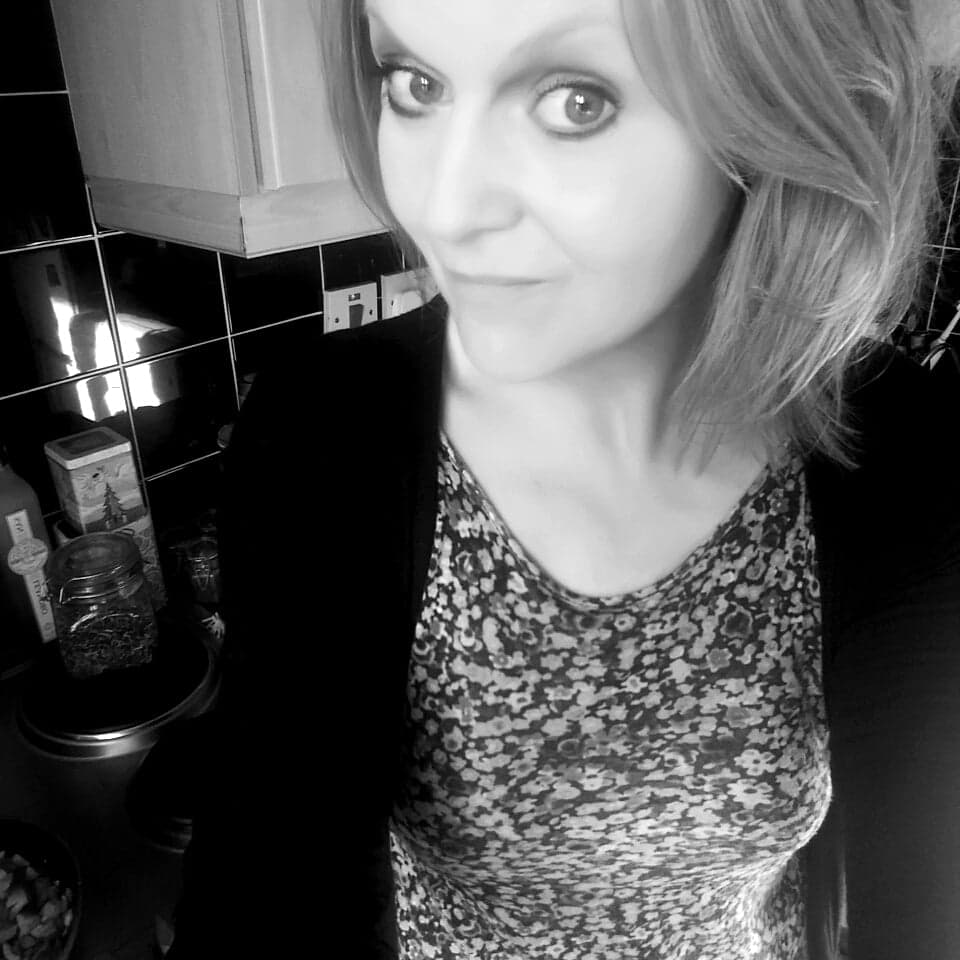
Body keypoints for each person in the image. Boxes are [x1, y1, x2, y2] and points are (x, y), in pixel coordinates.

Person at [166, 1, 960, 958]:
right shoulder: (324, 430)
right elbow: (270, 875)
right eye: (416, 84)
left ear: (775, 112)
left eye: (577, 102)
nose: (445, 209)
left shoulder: (901, 453)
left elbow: (928, 895)